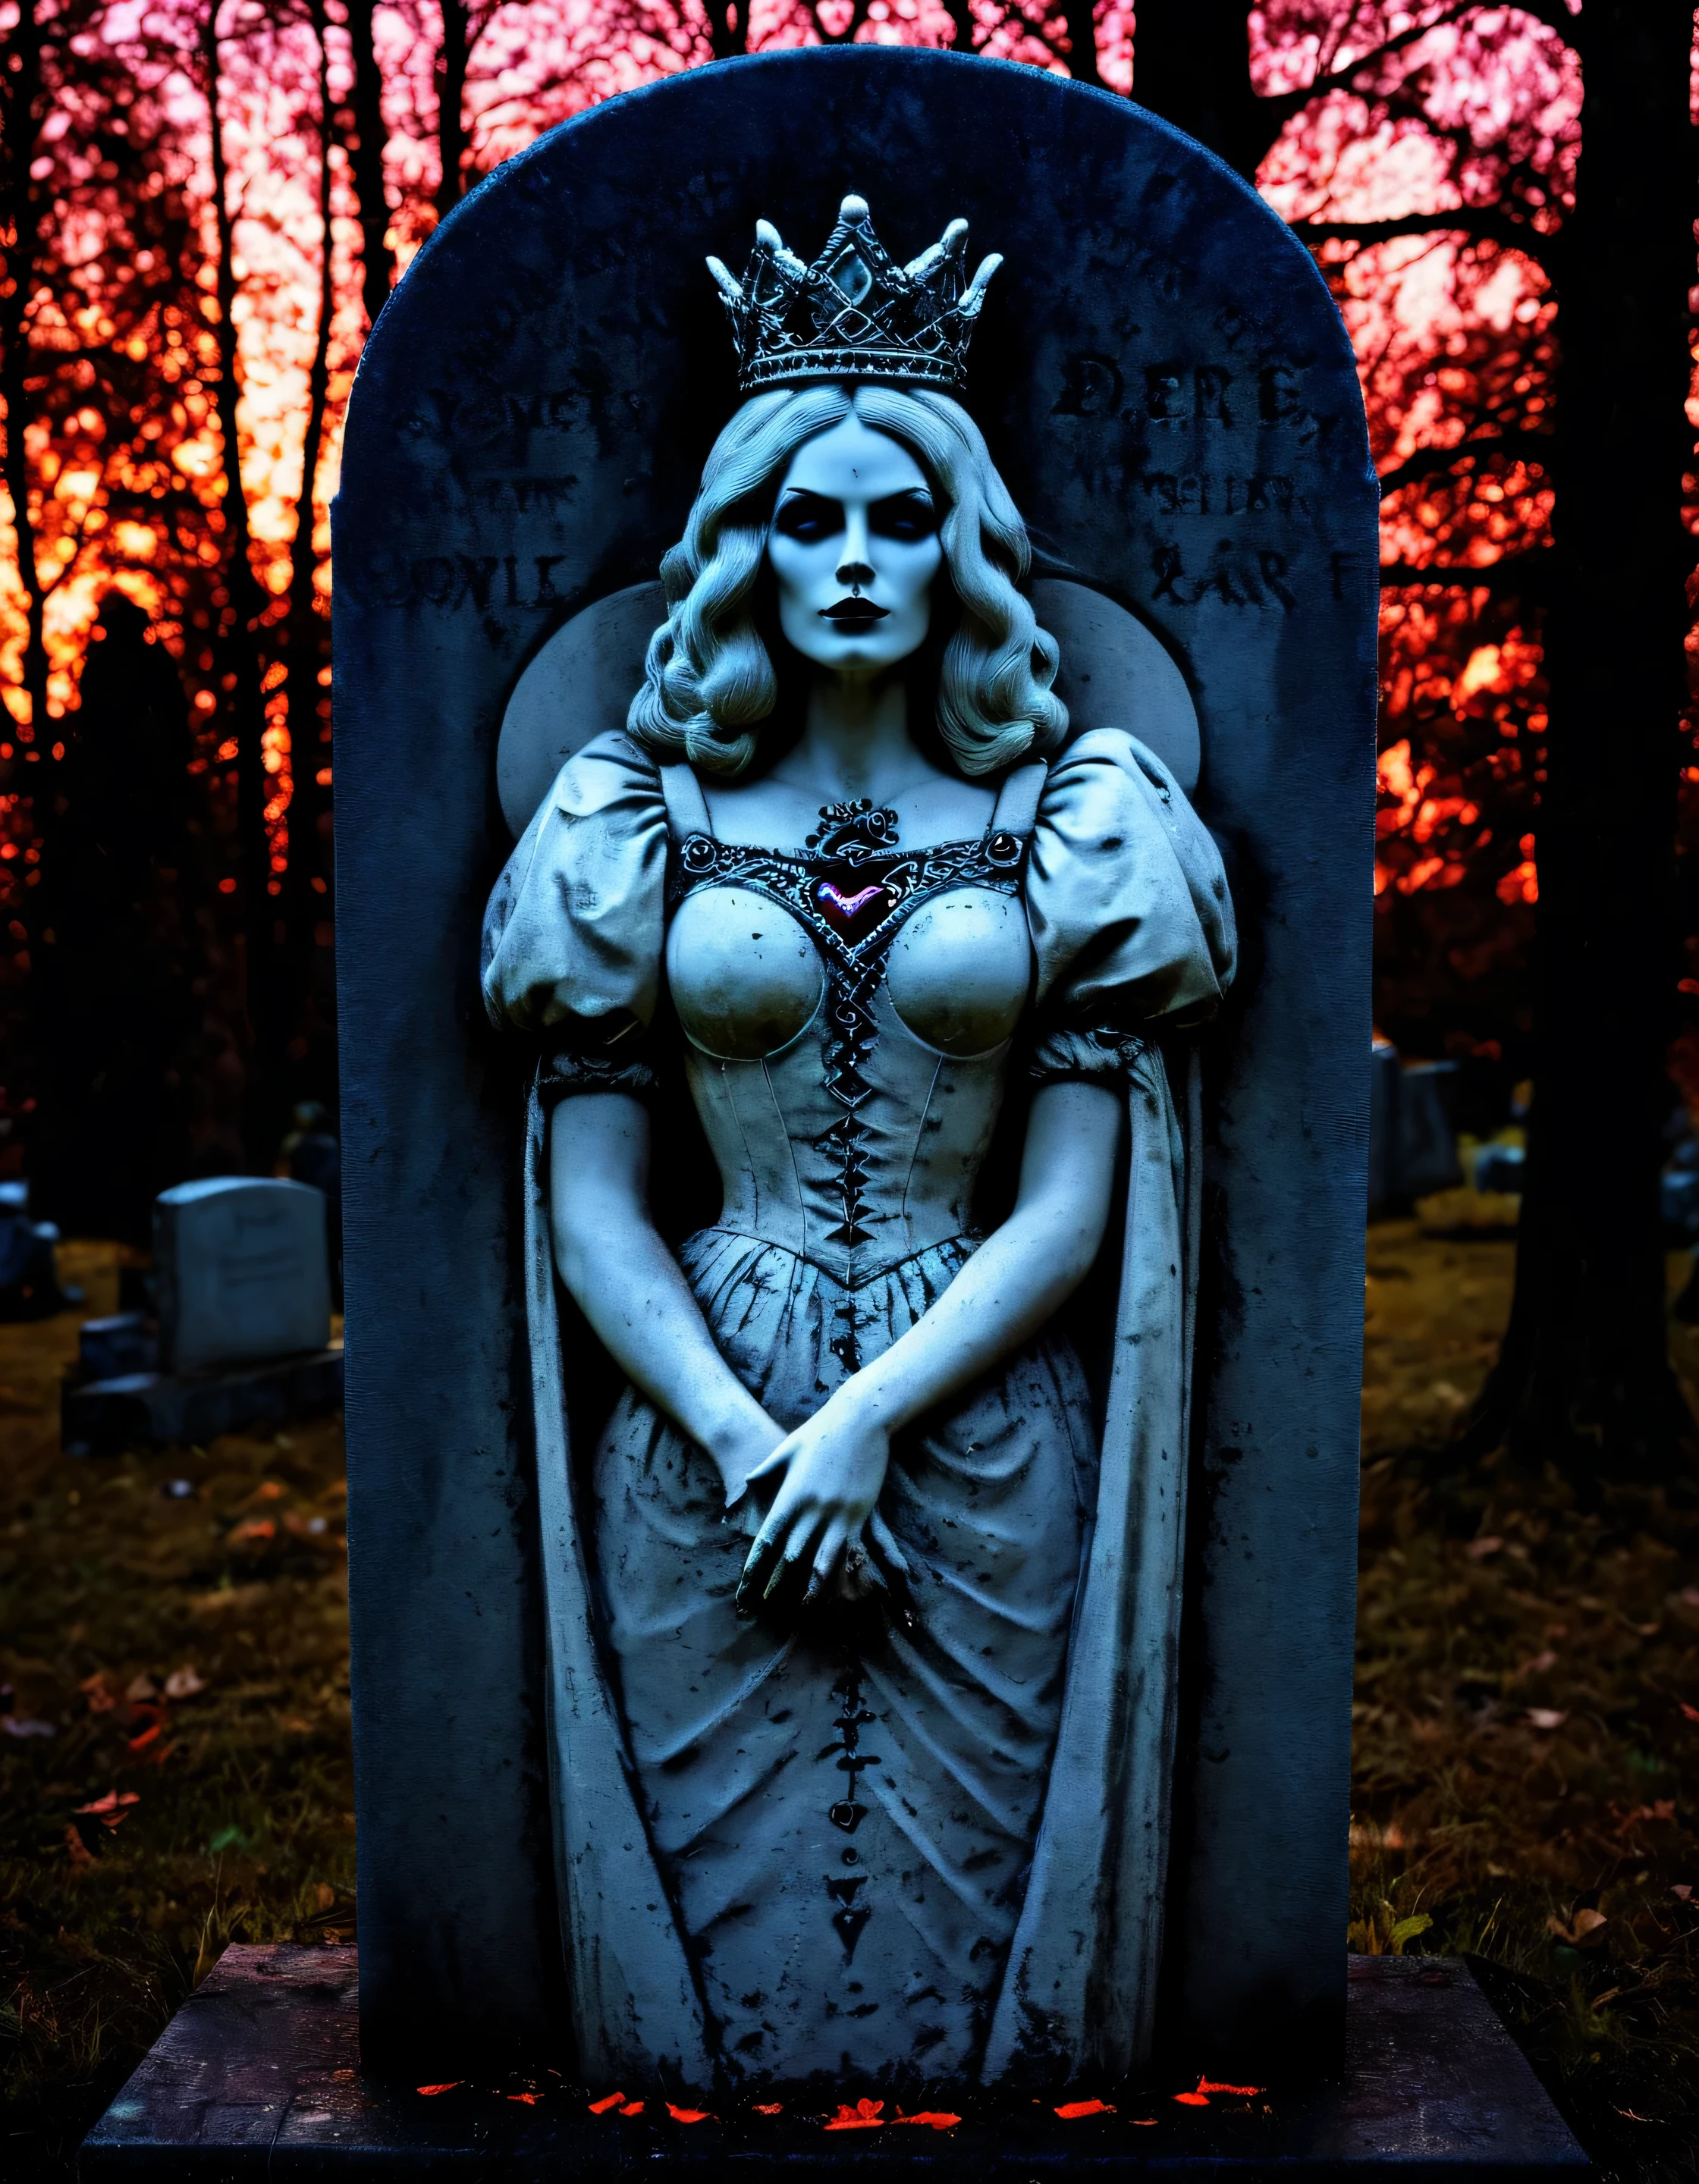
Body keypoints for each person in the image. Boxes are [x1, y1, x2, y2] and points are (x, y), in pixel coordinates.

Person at [482, 199, 1235, 2093]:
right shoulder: (625, 820)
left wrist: (871, 1419)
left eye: (901, 519)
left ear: (967, 548)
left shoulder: (1069, 815)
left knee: (976, 1924)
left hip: (978, 1425)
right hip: (697, 1416)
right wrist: (756, 1444)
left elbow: (1072, 1206)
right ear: (737, 548)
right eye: (803, 519)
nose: (850, 559)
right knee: (718, 1934)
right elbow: (586, 1203)